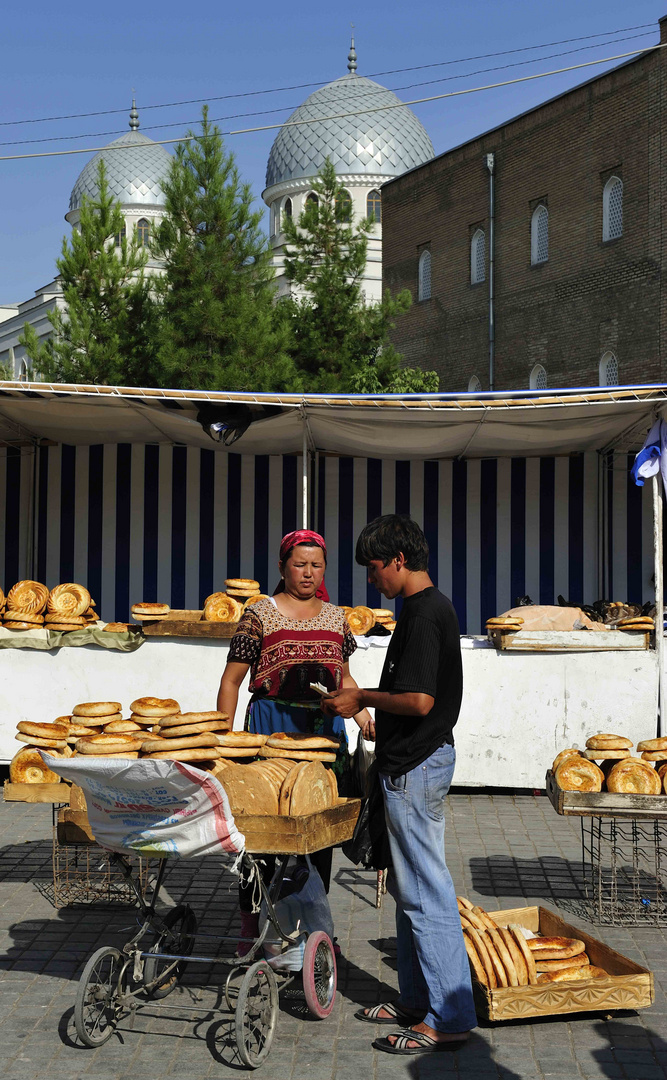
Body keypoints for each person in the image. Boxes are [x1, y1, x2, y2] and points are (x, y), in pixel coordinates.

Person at [322, 514, 476, 1056]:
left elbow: (420, 702)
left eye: (373, 569)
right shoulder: (415, 609)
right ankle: (415, 999)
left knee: (426, 894)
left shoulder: (428, 612)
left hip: (419, 763)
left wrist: (361, 697)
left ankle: (450, 1016)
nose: (371, 581)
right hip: (410, 761)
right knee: (411, 890)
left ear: (398, 561)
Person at [217, 529, 373, 948]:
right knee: (261, 832)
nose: (307, 573)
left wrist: (362, 716)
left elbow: (343, 677)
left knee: (318, 831)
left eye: (316, 565)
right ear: (283, 566)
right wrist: (221, 740)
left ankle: (311, 928)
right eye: (299, 564)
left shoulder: (335, 616)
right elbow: (232, 681)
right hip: (268, 729)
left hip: (323, 736)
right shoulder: (259, 613)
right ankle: (253, 926)